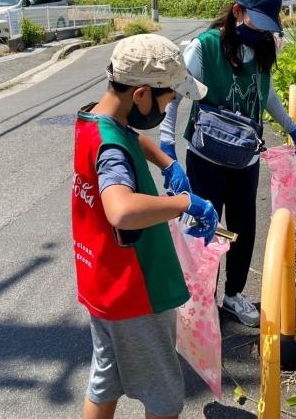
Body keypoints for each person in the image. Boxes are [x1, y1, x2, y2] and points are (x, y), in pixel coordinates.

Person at [159, 0, 296, 328]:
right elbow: (174, 95)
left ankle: (233, 295)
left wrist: (294, 132)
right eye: (257, 24)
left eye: (267, 27)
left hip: (246, 158)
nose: (262, 33)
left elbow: (268, 96)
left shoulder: (266, 48)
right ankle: (201, 301)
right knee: (205, 228)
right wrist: (167, 145)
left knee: (244, 229)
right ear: (237, 12)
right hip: (206, 159)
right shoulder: (204, 48)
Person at [72, 33, 218, 419]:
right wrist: (186, 203)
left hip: (101, 282)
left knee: (105, 379)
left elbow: (134, 140)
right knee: (164, 394)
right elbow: (119, 209)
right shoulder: (112, 148)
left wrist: (168, 164)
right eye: (169, 99)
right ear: (140, 95)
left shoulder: (95, 119)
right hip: (134, 290)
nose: (170, 107)